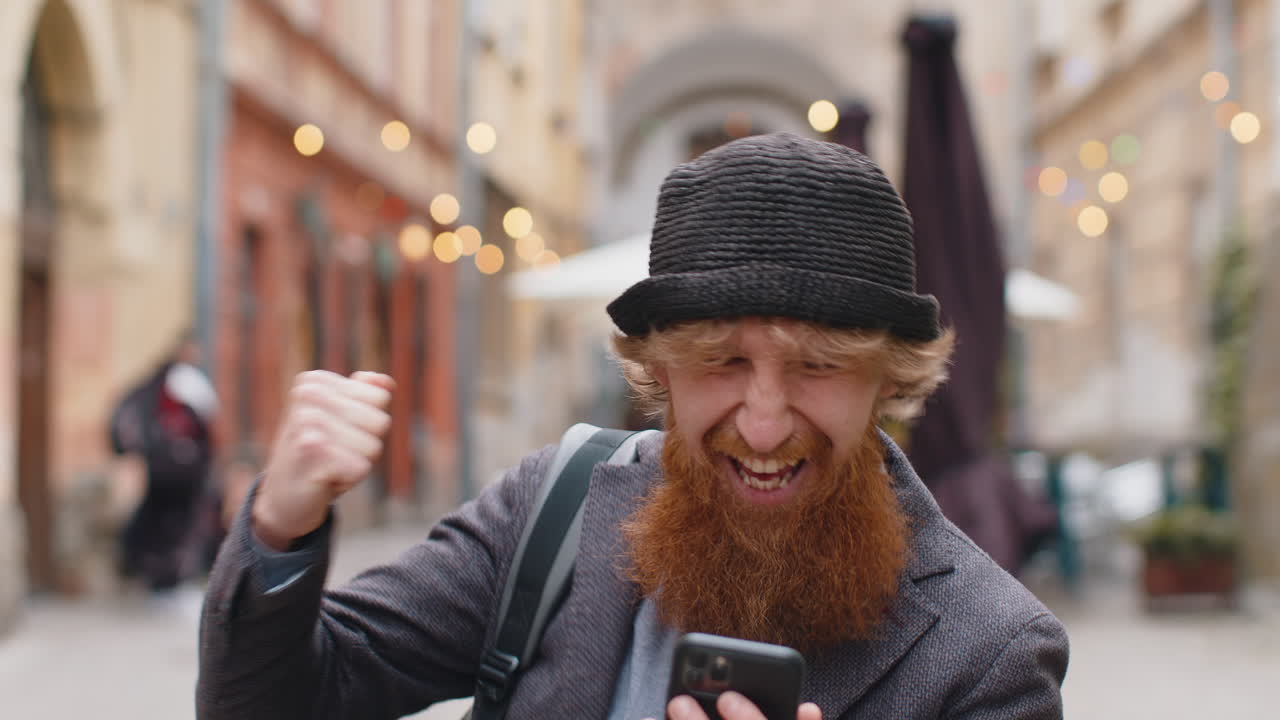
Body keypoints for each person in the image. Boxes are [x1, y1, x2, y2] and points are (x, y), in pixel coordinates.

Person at [197, 133, 1068, 719]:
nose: (764, 426)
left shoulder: (988, 654)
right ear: (657, 369)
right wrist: (282, 524)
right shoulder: (557, 509)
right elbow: (281, 699)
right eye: (721, 361)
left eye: (819, 365)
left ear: (888, 379)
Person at [111, 332, 219, 592]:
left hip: (168, 468)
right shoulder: (182, 382)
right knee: (172, 525)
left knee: (163, 521)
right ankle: (165, 579)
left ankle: (162, 577)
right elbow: (207, 420)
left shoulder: (166, 381)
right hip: (177, 469)